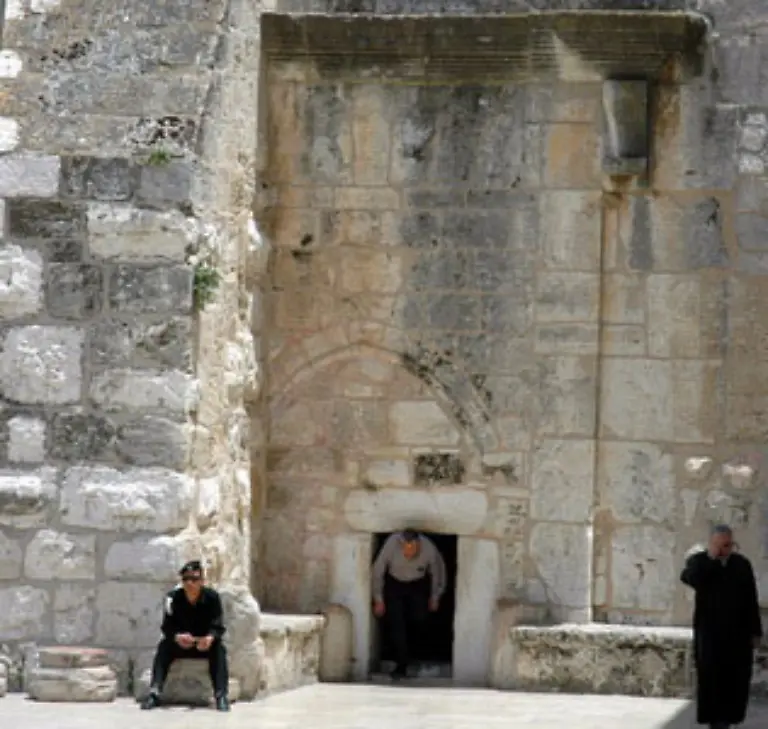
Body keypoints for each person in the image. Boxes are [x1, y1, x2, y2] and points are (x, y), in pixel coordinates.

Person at [680, 525, 762, 729]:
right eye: (721, 545)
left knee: (736, 682)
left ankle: (730, 720)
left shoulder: (741, 564)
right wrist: (711, 558)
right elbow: (691, 578)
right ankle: (717, 723)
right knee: (712, 682)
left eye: (729, 545)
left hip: (738, 637)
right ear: (713, 544)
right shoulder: (700, 562)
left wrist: (756, 631)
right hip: (710, 638)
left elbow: (751, 599)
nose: (726, 549)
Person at [141, 560, 230, 712]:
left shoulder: (212, 598)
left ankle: (221, 695)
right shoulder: (173, 598)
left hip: (203, 645)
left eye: (194, 579)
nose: (190, 583)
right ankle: (154, 692)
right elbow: (167, 627)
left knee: (219, 650)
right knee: (164, 647)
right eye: (186, 579)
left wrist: (209, 638)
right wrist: (177, 637)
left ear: (201, 581)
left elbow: (218, 626)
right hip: (181, 644)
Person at [371, 528, 446, 680]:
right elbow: (378, 571)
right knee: (396, 623)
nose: (409, 552)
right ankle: (401, 664)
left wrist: (435, 596)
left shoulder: (428, 548)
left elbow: (438, 572)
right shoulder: (391, 544)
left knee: (419, 618)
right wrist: (378, 598)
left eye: (413, 548)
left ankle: (418, 654)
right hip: (395, 583)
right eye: (406, 547)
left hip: (418, 583)